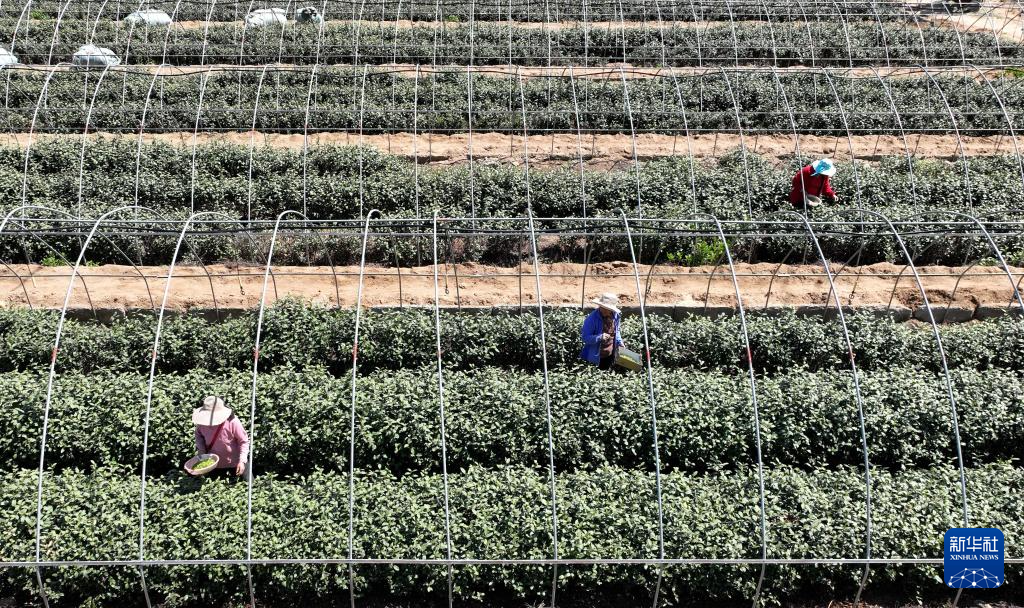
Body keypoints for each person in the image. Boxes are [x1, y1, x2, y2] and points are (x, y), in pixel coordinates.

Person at [193, 396, 250, 479]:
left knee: (251, 485)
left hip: (237, 462)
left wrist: (242, 461)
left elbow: (243, 441)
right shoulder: (201, 424)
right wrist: (202, 455)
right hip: (214, 465)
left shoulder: (232, 422)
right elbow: (199, 437)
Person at [580, 292, 624, 370]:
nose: (602, 309)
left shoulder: (615, 316)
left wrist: (619, 342)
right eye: (601, 306)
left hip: (610, 354)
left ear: (611, 309)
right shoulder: (592, 319)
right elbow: (585, 338)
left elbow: (616, 331)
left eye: (606, 308)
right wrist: (599, 337)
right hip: (595, 357)